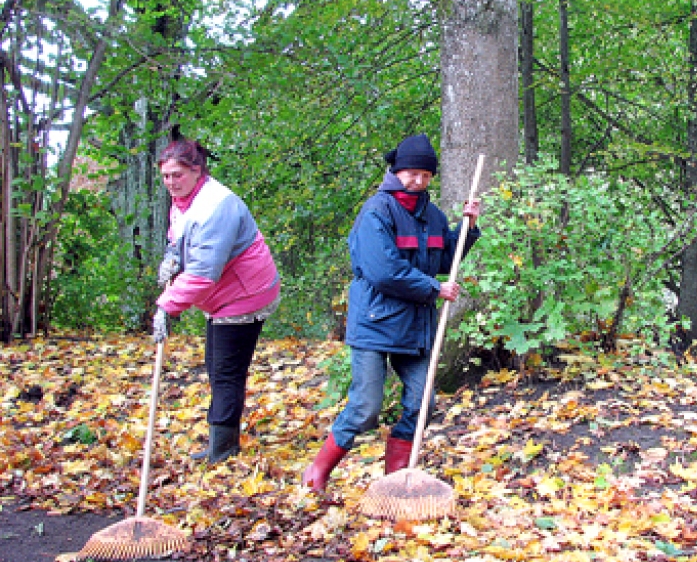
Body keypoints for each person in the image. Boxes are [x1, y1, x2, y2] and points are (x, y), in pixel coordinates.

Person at [303, 133, 481, 491]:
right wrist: (433, 288)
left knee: (422, 404)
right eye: (412, 173)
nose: (418, 181)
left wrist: (467, 229)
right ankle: (316, 473)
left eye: (426, 175)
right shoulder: (375, 212)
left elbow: (445, 259)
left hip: (415, 327)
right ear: (397, 171)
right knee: (366, 407)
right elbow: (383, 271)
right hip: (375, 323)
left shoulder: (432, 216)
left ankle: (393, 483)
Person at [152, 137, 281, 463]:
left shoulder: (215, 206)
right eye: (166, 176)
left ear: (197, 171)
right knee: (215, 365)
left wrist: (166, 306)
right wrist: (171, 257)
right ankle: (220, 442)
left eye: (177, 175)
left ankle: (223, 450)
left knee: (225, 372)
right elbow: (181, 239)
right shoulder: (184, 200)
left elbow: (203, 274)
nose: (170, 182)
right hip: (223, 294)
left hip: (245, 294)